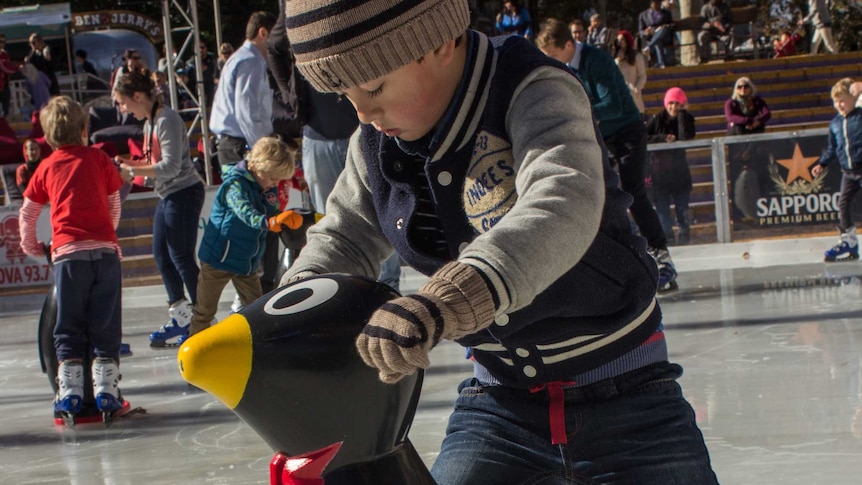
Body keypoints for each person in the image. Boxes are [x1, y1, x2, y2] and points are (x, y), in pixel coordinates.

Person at [281, 2, 718, 484]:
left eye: (375, 86)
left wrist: (445, 301)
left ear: (440, 41)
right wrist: (295, 308)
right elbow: (343, 235)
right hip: (499, 409)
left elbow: (561, 203)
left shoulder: (531, 87)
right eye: (346, 95)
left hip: (632, 401)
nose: (362, 112)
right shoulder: (374, 143)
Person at [536, 18, 679, 293]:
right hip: (598, 136)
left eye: (553, 55)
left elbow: (612, 105)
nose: (551, 61)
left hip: (627, 132)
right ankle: (612, 258)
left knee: (633, 191)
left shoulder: (595, 60)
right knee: (595, 193)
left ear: (568, 45)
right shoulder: (565, 66)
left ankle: (661, 254)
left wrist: (576, 116)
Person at [18, 96, 126, 419]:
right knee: (105, 321)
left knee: (69, 323)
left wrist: (33, 247)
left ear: (49, 138)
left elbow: (27, 213)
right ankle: (107, 388)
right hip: (106, 253)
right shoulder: (99, 159)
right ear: (84, 129)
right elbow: (114, 203)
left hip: (67, 256)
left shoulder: (47, 166)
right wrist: (106, 231)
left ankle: (70, 391)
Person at [113, 71, 205, 347]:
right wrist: (130, 166)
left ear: (138, 96)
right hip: (168, 194)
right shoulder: (150, 123)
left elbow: (171, 166)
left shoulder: (166, 119)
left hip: (184, 192)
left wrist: (132, 169)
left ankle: (202, 316)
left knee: (181, 256)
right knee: (161, 255)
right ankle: (180, 314)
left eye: (123, 103)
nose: (123, 109)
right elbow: (152, 163)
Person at [189, 137, 299, 339]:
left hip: (246, 263)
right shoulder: (234, 185)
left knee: (257, 311)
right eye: (273, 178)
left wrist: (282, 219)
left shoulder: (267, 186)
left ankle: (261, 348)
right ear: (259, 167)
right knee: (204, 311)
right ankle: (194, 352)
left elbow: (271, 211)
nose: (275, 184)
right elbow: (245, 212)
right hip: (218, 259)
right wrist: (269, 222)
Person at [210, 11, 276, 172]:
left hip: (235, 146)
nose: (278, 43)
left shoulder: (240, 58)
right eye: (276, 37)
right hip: (241, 147)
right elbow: (247, 110)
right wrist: (262, 149)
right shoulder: (250, 61)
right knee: (250, 197)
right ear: (263, 33)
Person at [812, 78, 862, 262]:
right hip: (848, 172)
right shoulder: (835, 123)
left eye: (842, 100)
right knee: (843, 204)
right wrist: (822, 163)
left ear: (853, 98)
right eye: (835, 101)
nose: (839, 105)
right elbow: (833, 148)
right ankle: (848, 241)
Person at [646, 87, 696, 246]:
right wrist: (662, 138)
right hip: (660, 172)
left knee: (682, 207)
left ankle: (684, 234)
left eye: (678, 103)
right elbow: (644, 137)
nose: (674, 107)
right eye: (671, 103)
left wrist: (682, 114)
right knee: (662, 208)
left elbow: (685, 136)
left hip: (680, 172)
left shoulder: (686, 118)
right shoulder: (656, 118)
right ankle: (667, 236)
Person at [725, 76, 771, 199]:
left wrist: (757, 121)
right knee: (738, 177)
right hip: (737, 144)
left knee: (761, 173)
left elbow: (767, 113)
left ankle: (764, 199)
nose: (743, 89)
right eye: (740, 86)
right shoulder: (731, 103)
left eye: (746, 86)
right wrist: (748, 121)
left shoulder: (757, 101)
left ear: (751, 88)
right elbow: (731, 118)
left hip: (755, 143)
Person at [613, 30, 648, 115]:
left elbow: (642, 76)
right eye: (618, 40)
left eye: (622, 40)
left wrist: (636, 89)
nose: (620, 43)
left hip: (633, 98)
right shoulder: (614, 58)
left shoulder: (637, 56)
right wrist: (618, 61)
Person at [638, 0, 675, 68]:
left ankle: (649, 47)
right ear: (651, 4)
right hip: (652, 37)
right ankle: (661, 64)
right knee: (658, 41)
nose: (658, 4)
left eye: (659, 2)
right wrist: (646, 32)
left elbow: (672, 25)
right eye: (656, 3)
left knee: (663, 29)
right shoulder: (643, 15)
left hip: (665, 37)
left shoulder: (666, 13)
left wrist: (665, 27)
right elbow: (640, 31)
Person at [0, 33, 20, 117]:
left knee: (6, 108)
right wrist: (17, 69)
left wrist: (17, 67)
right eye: (0, 41)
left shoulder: (5, 54)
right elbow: (4, 68)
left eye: (3, 41)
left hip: (5, 84)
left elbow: (8, 66)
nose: (2, 43)